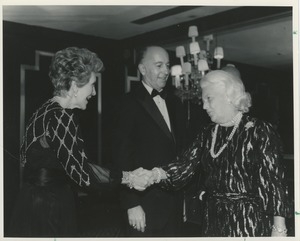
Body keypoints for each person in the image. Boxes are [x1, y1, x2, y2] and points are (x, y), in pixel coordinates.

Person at [9, 47, 148, 237]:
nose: (94, 92)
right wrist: (128, 178)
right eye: (92, 84)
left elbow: (28, 159)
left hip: (30, 202)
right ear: (75, 86)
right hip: (51, 206)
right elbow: (83, 173)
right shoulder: (62, 117)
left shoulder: (43, 110)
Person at [142, 69, 291, 237]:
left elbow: (274, 182)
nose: (204, 106)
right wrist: (154, 174)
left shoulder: (259, 131)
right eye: (203, 100)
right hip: (213, 219)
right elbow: (185, 165)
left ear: (228, 96)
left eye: (209, 99)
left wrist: (279, 229)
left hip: (248, 221)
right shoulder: (207, 133)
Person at [111, 46, 187, 236]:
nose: (166, 71)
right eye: (159, 65)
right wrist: (132, 203)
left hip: (174, 204)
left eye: (168, 65)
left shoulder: (176, 103)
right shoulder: (127, 103)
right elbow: (121, 156)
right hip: (144, 205)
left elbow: (181, 152)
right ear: (142, 69)